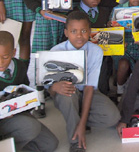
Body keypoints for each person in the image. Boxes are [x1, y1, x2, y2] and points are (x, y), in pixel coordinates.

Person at [0, 31, 58, 152]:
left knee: (49, 144)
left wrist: (27, 103)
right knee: (31, 127)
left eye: (5, 57)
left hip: (19, 115)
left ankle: (7, 145)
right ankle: (3, 145)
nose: (0, 62)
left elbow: (25, 89)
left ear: (14, 52)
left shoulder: (19, 66)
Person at [23, 0, 77, 118]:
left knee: (59, 56)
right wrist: (39, 10)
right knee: (41, 55)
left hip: (62, 19)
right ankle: (39, 98)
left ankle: (55, 89)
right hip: (44, 18)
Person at [49, 11, 120, 152]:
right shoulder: (56, 51)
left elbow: (89, 88)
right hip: (67, 94)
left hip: (88, 92)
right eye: (74, 31)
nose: (79, 35)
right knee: (67, 95)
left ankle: (76, 120)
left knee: (113, 117)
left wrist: (82, 123)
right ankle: (76, 143)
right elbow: (50, 88)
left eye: (83, 31)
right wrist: (55, 87)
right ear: (66, 32)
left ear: (89, 32)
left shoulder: (96, 51)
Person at [110, 0, 139, 100]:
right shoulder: (117, 10)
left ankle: (137, 91)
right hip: (124, 47)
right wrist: (113, 27)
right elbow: (110, 30)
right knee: (123, 64)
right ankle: (120, 90)